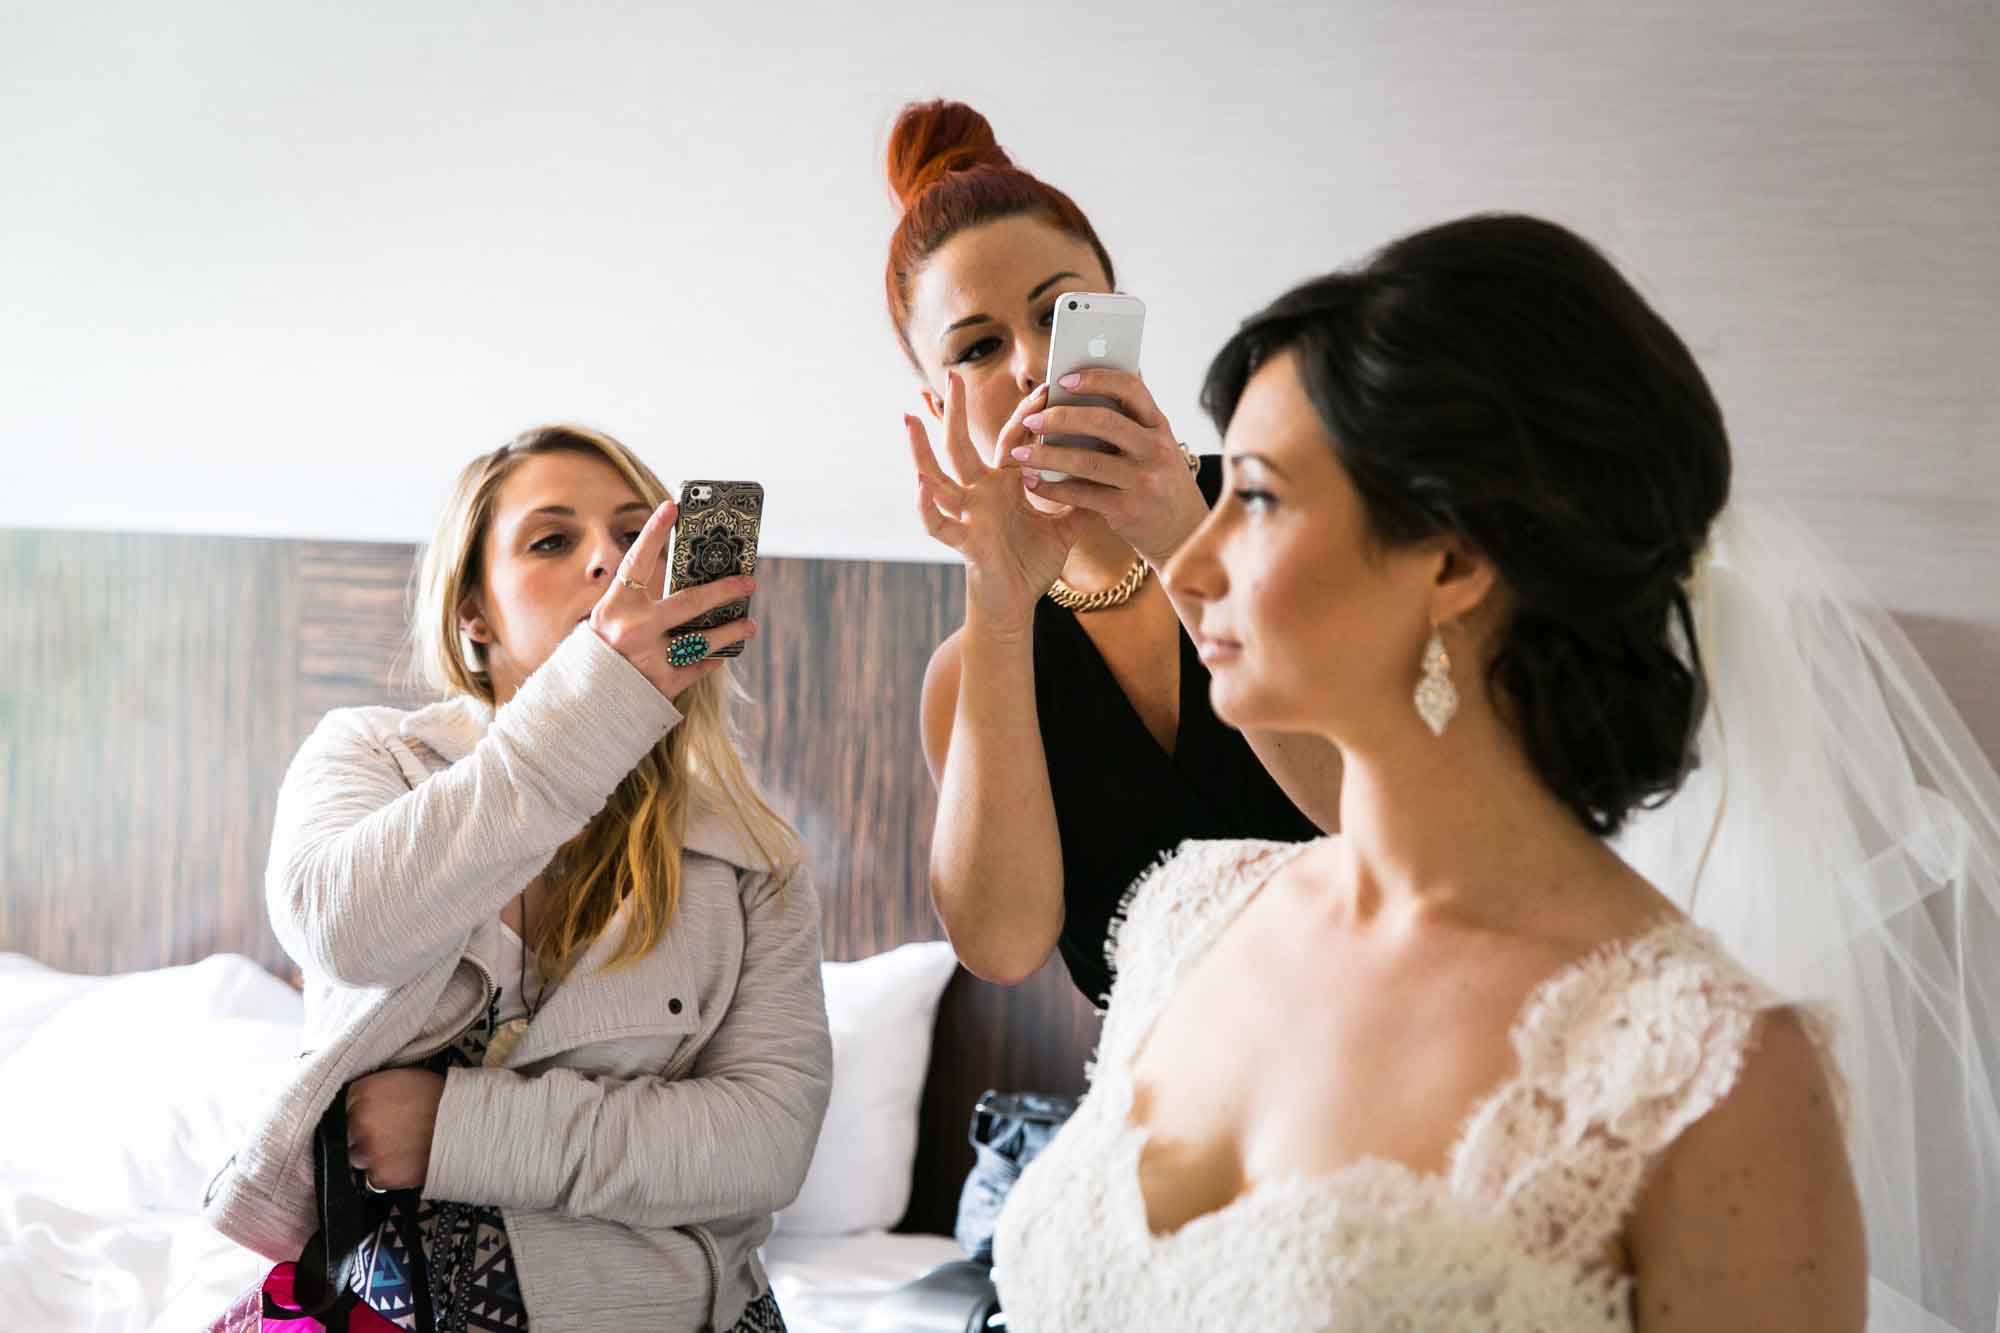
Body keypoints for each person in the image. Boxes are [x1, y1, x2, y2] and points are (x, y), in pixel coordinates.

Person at [991, 215, 1877, 1330]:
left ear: (1452, 558)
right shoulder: (1187, 915)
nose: (1196, 556)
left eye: (1252, 495)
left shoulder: (1706, 1075)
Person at [203, 425, 831, 1333]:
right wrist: (595, 703)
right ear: (474, 612)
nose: (607, 561)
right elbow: (348, 932)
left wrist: (457, 1131)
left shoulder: (752, 854)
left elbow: (765, 1143)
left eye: (631, 534)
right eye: (553, 540)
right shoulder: (372, 758)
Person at [888, 99, 1337, 1002]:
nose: (1029, 364)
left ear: (1120, 323)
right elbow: (1005, 946)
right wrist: (1001, 609)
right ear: (939, 411)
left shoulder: (1288, 505)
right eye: (978, 347)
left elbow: (1370, 804)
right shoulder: (970, 674)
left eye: (1060, 314)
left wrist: (1181, 541)